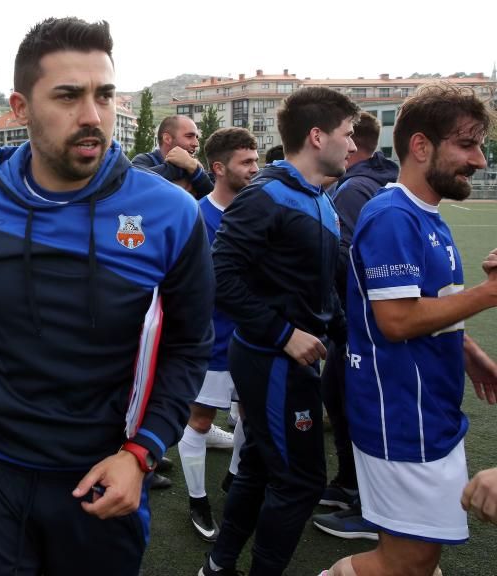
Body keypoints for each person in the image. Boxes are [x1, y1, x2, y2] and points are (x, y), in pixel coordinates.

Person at [0, 17, 214, 575]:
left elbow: (190, 345)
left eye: (103, 95)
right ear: (21, 107)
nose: (92, 117)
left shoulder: (171, 212)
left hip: (100, 474)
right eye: (69, 96)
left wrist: (143, 452)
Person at [323, 83, 497, 576]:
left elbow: (428, 304)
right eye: (467, 144)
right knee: (409, 561)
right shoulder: (393, 214)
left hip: (428, 409)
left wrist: (467, 349)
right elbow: (396, 321)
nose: (479, 160)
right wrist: (489, 294)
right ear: (421, 146)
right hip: (399, 414)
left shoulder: (427, 215)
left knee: (420, 558)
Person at [202, 87, 358, 576]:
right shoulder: (266, 195)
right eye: (348, 134)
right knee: (300, 482)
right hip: (272, 360)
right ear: (317, 136)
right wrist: (283, 334)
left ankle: (218, 564)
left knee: (259, 466)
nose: (353, 146)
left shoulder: (319, 199)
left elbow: (320, 289)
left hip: (294, 361)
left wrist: (343, 331)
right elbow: (218, 276)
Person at [312, 111, 398, 541]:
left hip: (361, 323)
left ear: (352, 143)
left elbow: (342, 260)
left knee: (349, 398)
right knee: (345, 394)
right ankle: (353, 485)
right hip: (378, 320)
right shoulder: (383, 181)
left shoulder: (354, 189)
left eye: (344, 136)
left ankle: (366, 501)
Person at [179, 127, 258, 542]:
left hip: (251, 336)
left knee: (248, 413)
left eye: (256, 160)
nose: (255, 169)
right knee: (200, 418)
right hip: (209, 340)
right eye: (246, 162)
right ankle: (197, 498)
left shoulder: (258, 210)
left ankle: (233, 482)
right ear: (218, 168)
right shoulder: (195, 215)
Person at [132, 115, 214, 198]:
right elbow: (135, 183)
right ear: (167, 139)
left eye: (197, 138)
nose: (196, 144)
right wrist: (180, 167)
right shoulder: (144, 161)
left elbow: (214, 200)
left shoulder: (194, 168)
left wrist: (194, 168)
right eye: (189, 136)